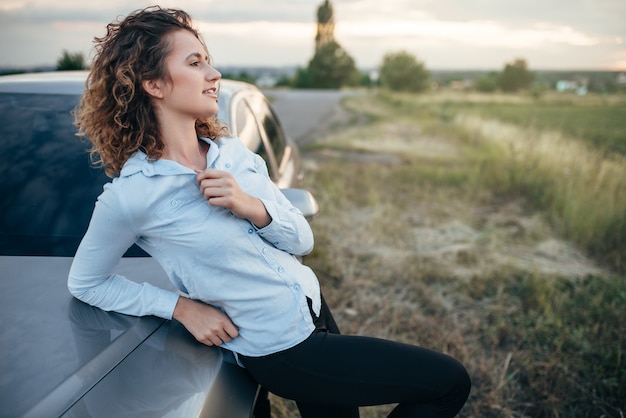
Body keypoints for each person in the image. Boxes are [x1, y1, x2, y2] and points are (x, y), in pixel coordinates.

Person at [69, 6, 471, 418]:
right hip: (282, 349)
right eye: (195, 63)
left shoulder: (234, 155)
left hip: (312, 308)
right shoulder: (133, 195)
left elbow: (302, 240)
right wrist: (181, 307)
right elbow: (86, 282)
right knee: (449, 382)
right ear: (153, 83)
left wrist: (250, 206)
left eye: (208, 60)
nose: (213, 74)